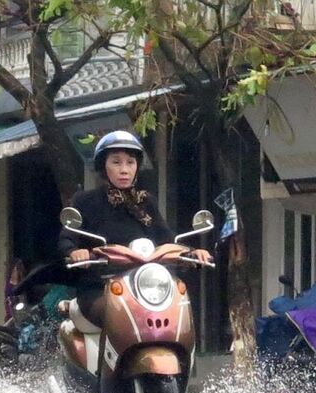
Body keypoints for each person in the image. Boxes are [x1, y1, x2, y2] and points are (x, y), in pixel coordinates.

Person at [57, 131, 208, 328]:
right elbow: (66, 239)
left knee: (180, 313)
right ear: (103, 166)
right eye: (116, 162)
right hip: (99, 288)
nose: (124, 170)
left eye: (130, 162)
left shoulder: (146, 203)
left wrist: (192, 252)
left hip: (145, 288)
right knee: (119, 316)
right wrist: (75, 252)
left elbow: (167, 239)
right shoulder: (85, 201)